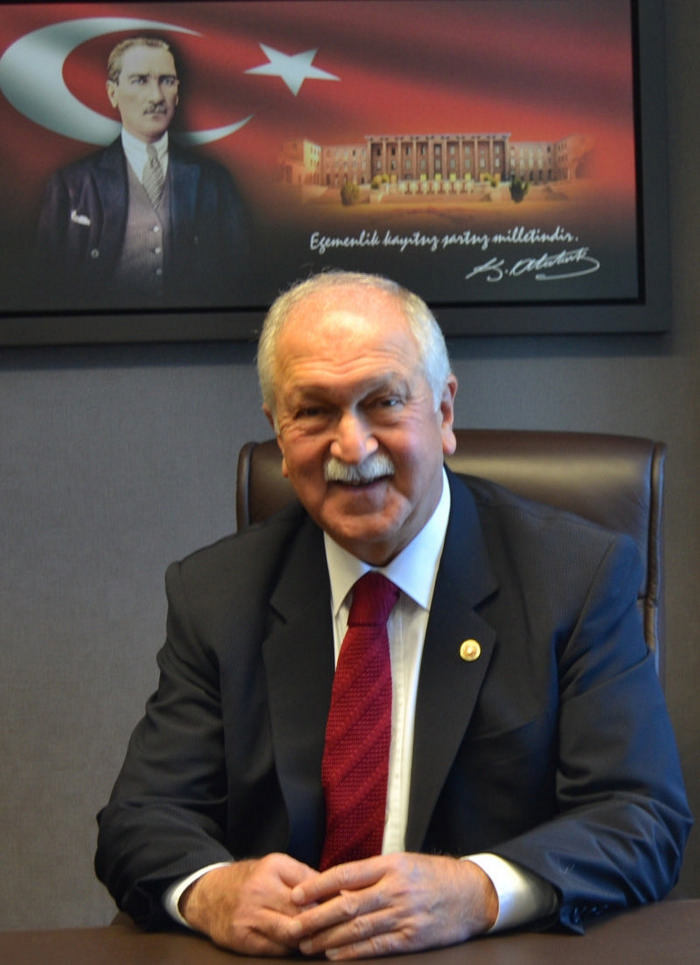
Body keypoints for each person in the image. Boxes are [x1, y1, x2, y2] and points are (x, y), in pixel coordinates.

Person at [95, 270, 692, 959]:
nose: (352, 447)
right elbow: (140, 819)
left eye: (383, 402)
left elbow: (640, 817)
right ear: (279, 435)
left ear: (444, 413)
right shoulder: (215, 594)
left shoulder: (575, 577)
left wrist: (476, 890)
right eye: (313, 411)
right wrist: (212, 891)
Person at [34, 36, 250, 309]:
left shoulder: (214, 181)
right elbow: (46, 288)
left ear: (177, 93)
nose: (156, 96)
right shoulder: (72, 184)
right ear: (113, 93)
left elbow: (238, 282)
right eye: (140, 80)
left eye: (166, 81)